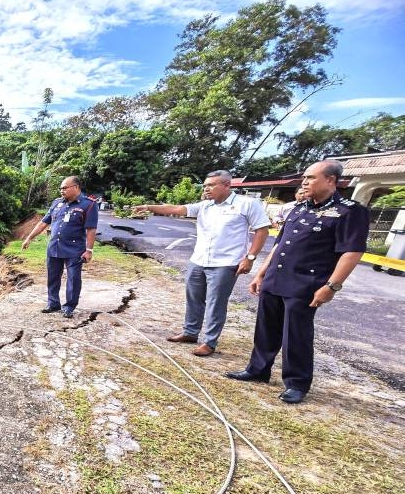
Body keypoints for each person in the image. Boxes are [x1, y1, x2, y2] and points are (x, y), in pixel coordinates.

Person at [225, 160, 369, 404]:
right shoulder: (299, 208)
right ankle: (257, 370)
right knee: (266, 328)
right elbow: (280, 244)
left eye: (311, 177)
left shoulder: (349, 211)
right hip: (276, 278)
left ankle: (297, 383)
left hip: (306, 282)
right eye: (304, 177)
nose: (305, 182)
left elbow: (352, 252)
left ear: (330, 180)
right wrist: (261, 272)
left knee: (296, 334)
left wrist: (332, 286)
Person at [132, 170, 270, 356]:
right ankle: (190, 332)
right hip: (199, 260)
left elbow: (262, 231)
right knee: (194, 298)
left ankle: (210, 342)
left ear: (227, 185)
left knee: (216, 303)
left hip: (226, 262)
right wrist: (149, 207)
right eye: (205, 185)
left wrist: (250, 258)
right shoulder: (205, 206)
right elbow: (176, 209)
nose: (206, 188)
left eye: (211, 185)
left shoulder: (247, 204)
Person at [21, 176, 98, 318]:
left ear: (76, 187)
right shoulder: (57, 203)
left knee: (73, 278)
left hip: (74, 249)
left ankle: (69, 306)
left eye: (65, 188)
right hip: (54, 247)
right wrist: (29, 238)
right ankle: (53, 303)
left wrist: (89, 250)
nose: (61, 190)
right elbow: (43, 223)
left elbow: (91, 229)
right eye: (61, 188)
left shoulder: (89, 205)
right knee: (53, 276)